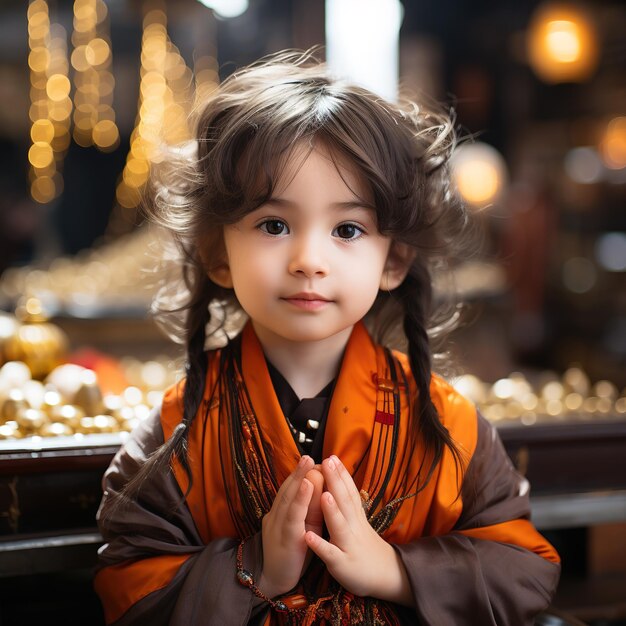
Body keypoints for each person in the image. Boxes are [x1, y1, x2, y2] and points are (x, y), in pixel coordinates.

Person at [94, 50, 560, 625]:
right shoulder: (176, 431)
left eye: (347, 229)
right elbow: (127, 578)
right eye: (273, 225)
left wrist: (392, 569)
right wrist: (254, 569)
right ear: (218, 252)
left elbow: (524, 567)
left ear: (395, 260)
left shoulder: (448, 424)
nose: (309, 260)